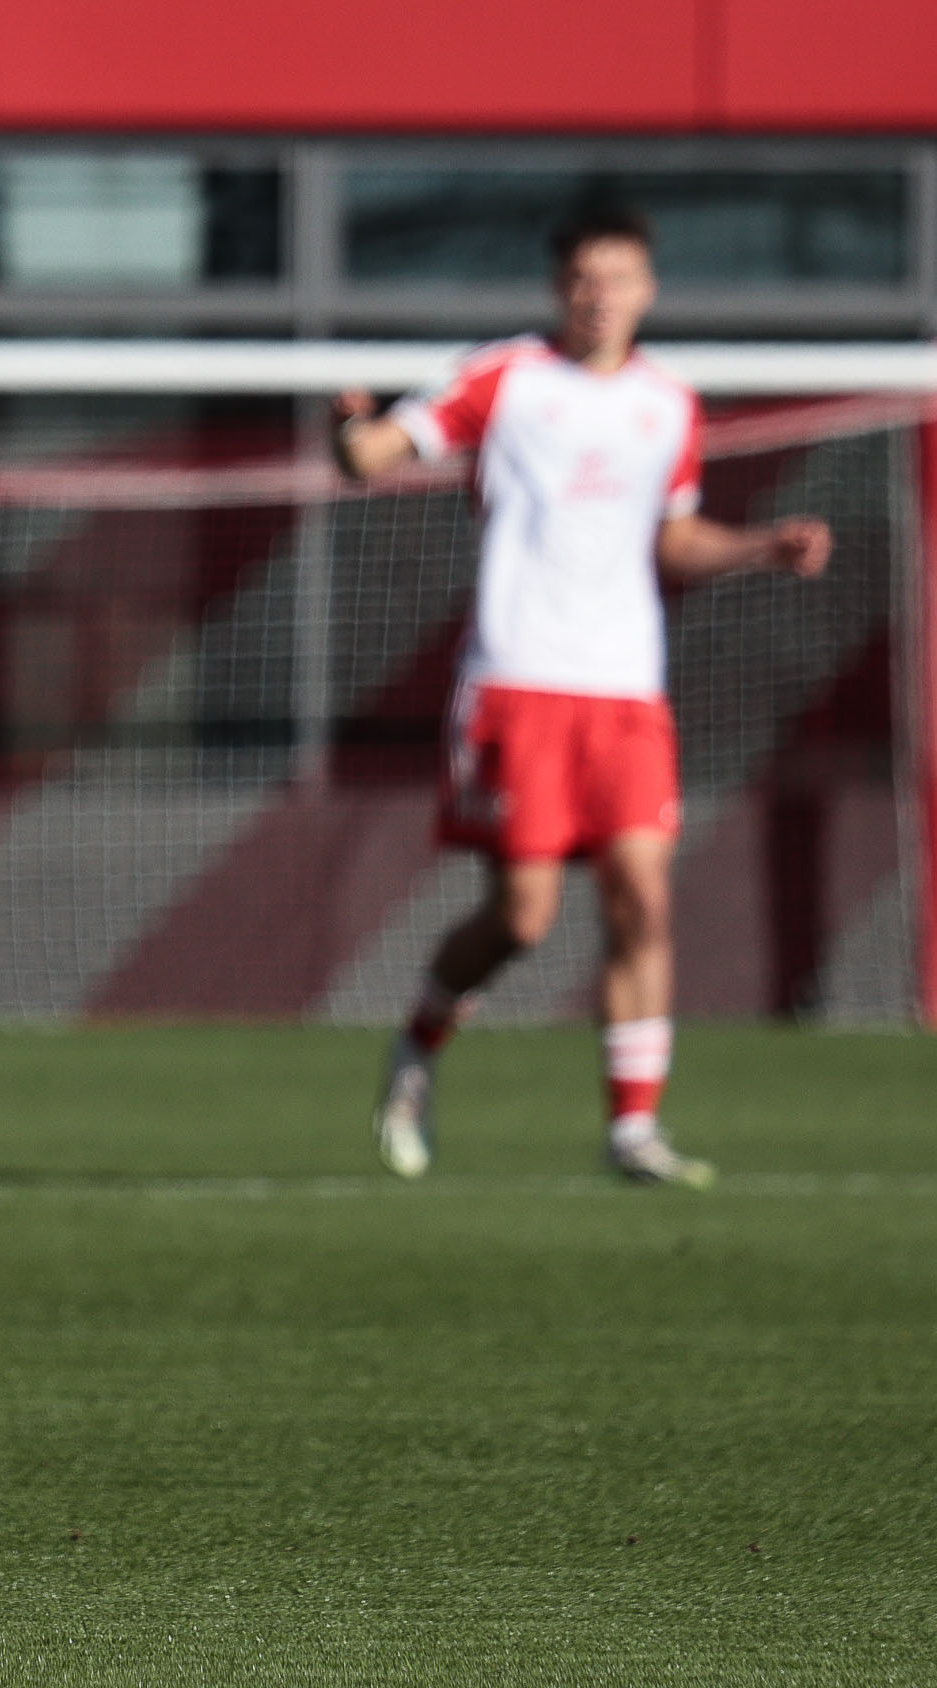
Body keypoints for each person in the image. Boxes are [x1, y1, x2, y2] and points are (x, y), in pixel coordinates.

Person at [337, 206, 832, 1188]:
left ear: (647, 290)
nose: (600, 296)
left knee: (641, 900)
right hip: (518, 679)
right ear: (559, 287)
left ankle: (633, 1128)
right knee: (523, 918)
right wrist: (352, 426)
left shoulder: (668, 403)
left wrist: (759, 546)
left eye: (620, 278)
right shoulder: (505, 377)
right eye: (583, 278)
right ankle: (419, 1044)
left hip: (626, 691)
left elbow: (673, 539)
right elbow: (375, 456)